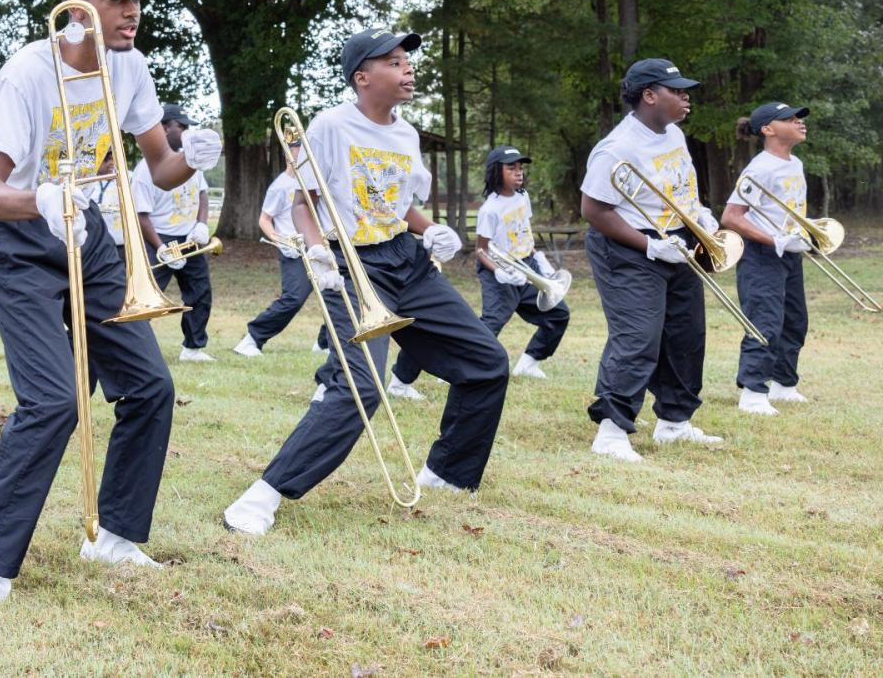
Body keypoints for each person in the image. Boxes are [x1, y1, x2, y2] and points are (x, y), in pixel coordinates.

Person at [0, 0, 224, 618]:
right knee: (53, 402)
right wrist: (41, 198)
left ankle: (117, 536)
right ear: (76, 8)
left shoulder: (130, 68)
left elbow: (158, 169)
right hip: (15, 237)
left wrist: (194, 158)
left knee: (151, 387)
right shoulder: (26, 75)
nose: (131, 12)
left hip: (91, 234)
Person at [222, 28, 511, 537]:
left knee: (487, 363)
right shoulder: (332, 126)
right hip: (350, 264)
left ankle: (446, 474)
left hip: (404, 259)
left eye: (408, 62)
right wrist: (317, 251)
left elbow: (395, 204)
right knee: (362, 385)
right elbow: (302, 199)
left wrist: (432, 229)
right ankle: (262, 495)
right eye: (395, 62)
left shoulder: (406, 134)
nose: (409, 70)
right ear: (363, 78)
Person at [580, 58, 719, 463]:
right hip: (625, 247)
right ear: (649, 95)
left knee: (685, 334)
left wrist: (700, 217)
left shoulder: (673, 133)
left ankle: (674, 423)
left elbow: (678, 186)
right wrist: (647, 245)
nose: (685, 97)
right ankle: (610, 431)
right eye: (677, 91)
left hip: (676, 240)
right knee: (638, 335)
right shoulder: (617, 147)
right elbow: (593, 209)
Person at [386, 145, 571, 393]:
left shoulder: (522, 198)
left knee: (558, 314)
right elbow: (481, 250)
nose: (519, 173)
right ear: (496, 172)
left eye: (520, 168)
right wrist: (499, 272)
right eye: (511, 168)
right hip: (499, 274)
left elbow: (523, 233)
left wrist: (539, 259)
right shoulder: (489, 209)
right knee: (487, 327)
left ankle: (529, 363)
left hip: (525, 267)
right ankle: (433, 371)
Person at [722, 102, 813, 416]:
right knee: (765, 322)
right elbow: (732, 217)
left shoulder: (795, 163)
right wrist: (774, 239)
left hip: (789, 253)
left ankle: (784, 386)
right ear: (768, 129)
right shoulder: (759, 168)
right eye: (790, 119)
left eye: (800, 118)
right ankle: (753, 392)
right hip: (761, 255)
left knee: (795, 320)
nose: (800, 123)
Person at [232, 138, 330, 359]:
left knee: (336, 293)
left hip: (318, 248)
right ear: (288, 154)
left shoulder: (314, 182)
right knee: (294, 298)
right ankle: (251, 339)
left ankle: (325, 343)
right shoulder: (280, 186)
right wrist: (280, 240)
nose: (302, 156)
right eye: (297, 152)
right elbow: (264, 220)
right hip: (294, 252)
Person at [133, 104, 215, 362]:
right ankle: (134, 350)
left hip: (190, 238)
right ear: (164, 128)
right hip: (157, 240)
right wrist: (160, 248)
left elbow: (202, 194)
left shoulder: (190, 160)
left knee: (200, 293)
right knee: (146, 300)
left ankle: (193, 349)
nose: (187, 132)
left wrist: (201, 225)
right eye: (182, 127)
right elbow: (141, 215)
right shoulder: (144, 171)